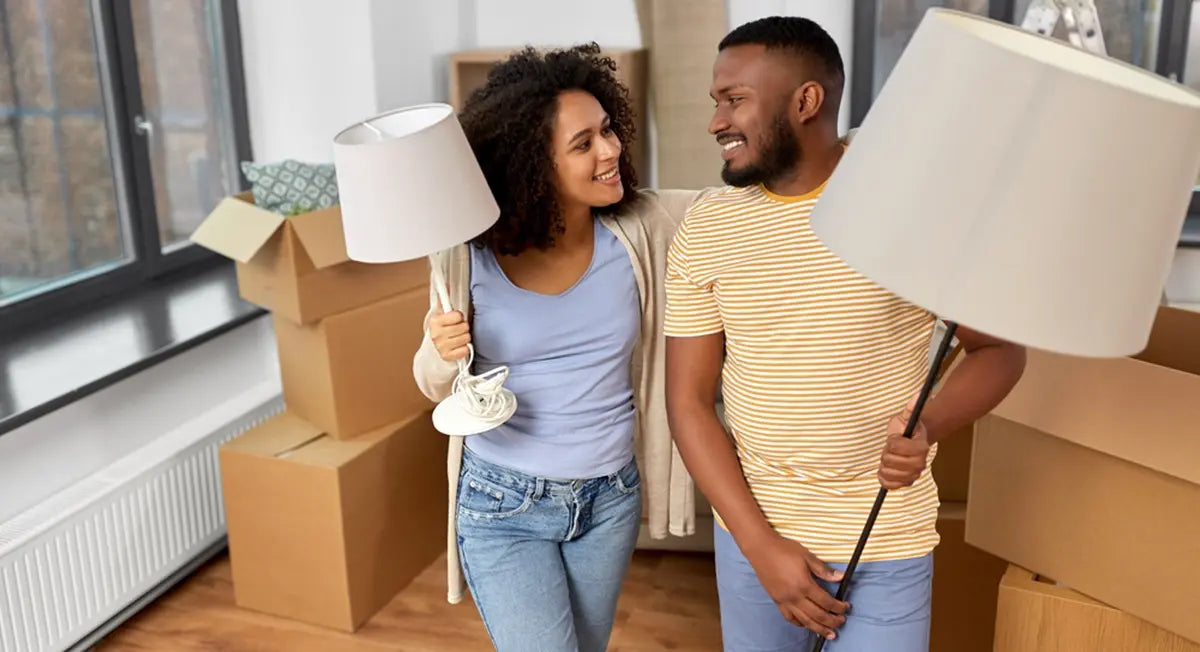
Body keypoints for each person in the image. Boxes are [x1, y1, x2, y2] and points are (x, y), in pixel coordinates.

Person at [663, 17, 1027, 652]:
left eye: (735, 100)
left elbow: (999, 351)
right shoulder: (708, 227)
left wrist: (930, 424)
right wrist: (760, 547)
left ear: (806, 100)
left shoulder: (908, 206)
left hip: (886, 542)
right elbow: (688, 403)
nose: (716, 121)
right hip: (753, 540)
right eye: (716, 102)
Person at [412, 43, 706, 652]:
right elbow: (433, 384)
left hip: (609, 497)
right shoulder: (467, 254)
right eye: (583, 143)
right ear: (532, 165)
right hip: (504, 502)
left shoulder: (642, 228)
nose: (610, 150)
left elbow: (742, 206)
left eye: (608, 130)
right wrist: (441, 349)